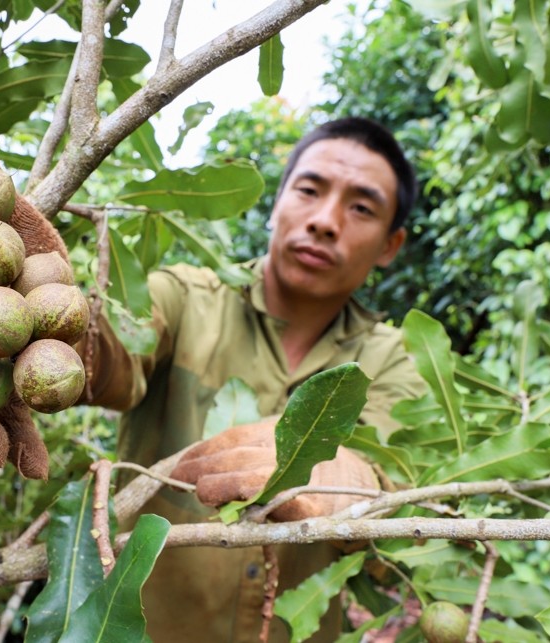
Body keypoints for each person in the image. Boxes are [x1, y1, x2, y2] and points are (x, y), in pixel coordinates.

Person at [80, 117, 427, 642]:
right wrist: (66, 332)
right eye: (309, 190)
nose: (326, 221)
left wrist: (332, 475)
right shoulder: (184, 296)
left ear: (390, 245)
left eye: (361, 207)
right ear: (279, 200)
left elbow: (395, 489)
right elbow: (110, 357)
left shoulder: (394, 359)